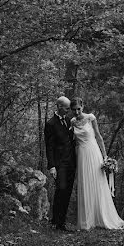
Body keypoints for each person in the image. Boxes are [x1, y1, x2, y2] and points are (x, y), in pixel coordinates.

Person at [70, 97, 124, 230]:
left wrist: (105, 156)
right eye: (74, 110)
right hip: (81, 155)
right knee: (85, 184)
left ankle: (102, 216)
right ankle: (87, 220)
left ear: (82, 106)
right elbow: (72, 141)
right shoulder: (72, 122)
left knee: (97, 182)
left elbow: (99, 136)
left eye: (78, 109)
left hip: (94, 152)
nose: (77, 112)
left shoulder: (90, 118)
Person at [44, 95, 76, 231]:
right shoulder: (50, 124)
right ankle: (56, 222)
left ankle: (60, 221)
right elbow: (49, 147)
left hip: (71, 163)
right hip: (59, 164)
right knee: (60, 190)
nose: (69, 111)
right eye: (67, 108)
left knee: (67, 192)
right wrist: (51, 166)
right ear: (59, 107)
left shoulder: (69, 121)